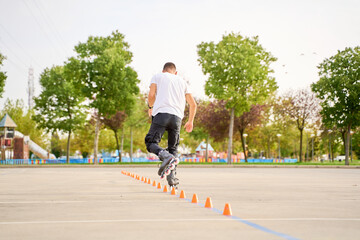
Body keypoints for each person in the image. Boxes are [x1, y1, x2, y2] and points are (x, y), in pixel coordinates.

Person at [145, 62, 197, 187]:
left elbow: (151, 95)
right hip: (177, 118)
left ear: (163, 71)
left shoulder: (158, 76)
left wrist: (150, 107)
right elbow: (193, 104)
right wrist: (190, 121)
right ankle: (172, 179)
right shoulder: (182, 82)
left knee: (151, 142)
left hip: (161, 114)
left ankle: (165, 156)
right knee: (173, 148)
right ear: (175, 72)